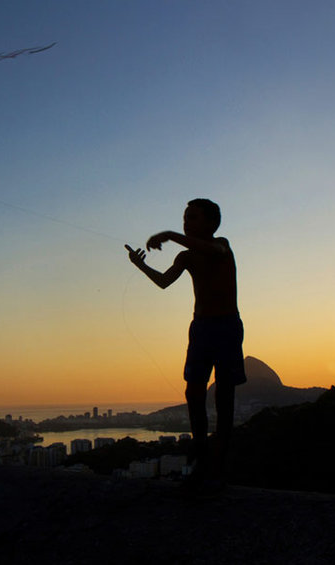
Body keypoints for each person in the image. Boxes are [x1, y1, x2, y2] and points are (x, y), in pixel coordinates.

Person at [125, 198, 245, 488]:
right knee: (194, 391)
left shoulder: (221, 245)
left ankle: (220, 458)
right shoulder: (187, 256)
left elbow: (212, 249)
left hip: (227, 326)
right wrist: (141, 265)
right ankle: (201, 453)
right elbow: (165, 281)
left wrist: (169, 235)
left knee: (224, 395)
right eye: (184, 218)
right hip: (201, 328)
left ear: (211, 223)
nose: (186, 223)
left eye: (192, 217)